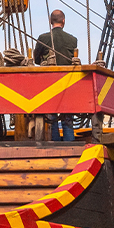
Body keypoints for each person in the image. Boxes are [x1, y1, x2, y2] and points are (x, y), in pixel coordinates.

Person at [34, 9, 80, 140]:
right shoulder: (72, 40)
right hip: (68, 83)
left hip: (49, 83)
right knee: (68, 118)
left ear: (50, 21)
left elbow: (36, 59)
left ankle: (55, 143)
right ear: (63, 21)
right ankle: (70, 145)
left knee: (52, 118)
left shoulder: (43, 38)